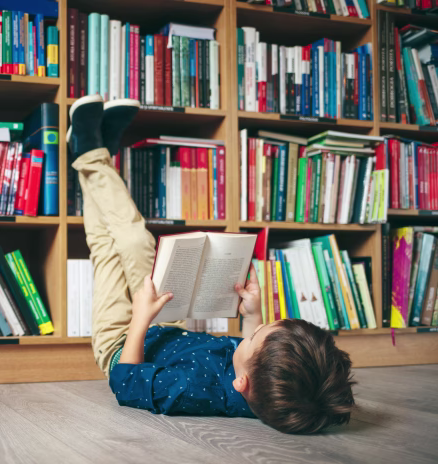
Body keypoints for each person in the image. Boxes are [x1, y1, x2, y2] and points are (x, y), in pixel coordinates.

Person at [68, 95, 356, 434]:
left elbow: (126, 383)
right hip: (165, 321)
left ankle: (91, 152)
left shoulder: (190, 392)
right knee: (132, 240)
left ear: (241, 384)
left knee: (108, 246)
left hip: (120, 340)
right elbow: (255, 354)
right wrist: (253, 316)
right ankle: (91, 152)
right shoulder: (268, 382)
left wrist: (140, 318)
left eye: (253, 336)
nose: (248, 336)